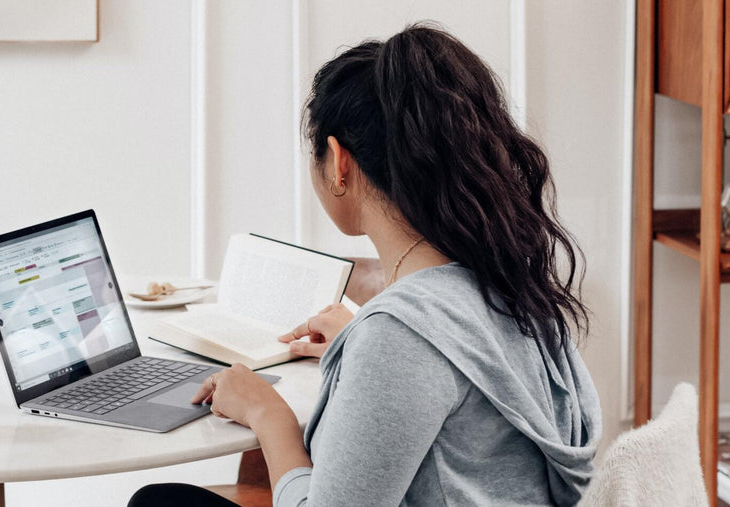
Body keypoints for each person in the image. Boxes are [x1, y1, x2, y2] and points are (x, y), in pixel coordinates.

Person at [129, 24, 600, 506]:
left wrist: (268, 414)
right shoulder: (511, 284)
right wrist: (360, 341)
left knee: (159, 502)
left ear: (339, 162)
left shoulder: (401, 336)